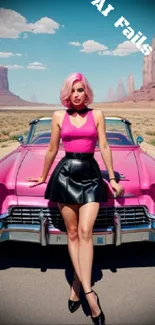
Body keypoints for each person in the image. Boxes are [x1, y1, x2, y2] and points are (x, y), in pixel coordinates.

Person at [27, 72, 124, 325]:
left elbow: (104, 147)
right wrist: (42, 176)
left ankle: (81, 288)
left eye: (80, 90)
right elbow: (51, 149)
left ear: (86, 92)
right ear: (67, 94)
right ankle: (86, 291)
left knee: (85, 232)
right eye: (73, 90)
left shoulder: (97, 115)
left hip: (91, 174)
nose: (77, 94)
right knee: (71, 234)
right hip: (66, 174)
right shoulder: (59, 116)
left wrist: (112, 179)